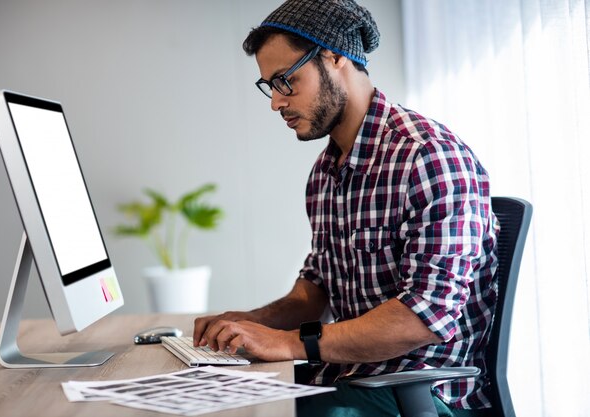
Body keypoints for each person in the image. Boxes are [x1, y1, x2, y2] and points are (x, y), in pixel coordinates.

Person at [193, 1, 499, 416]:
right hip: (349, 379)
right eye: (270, 86)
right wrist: (249, 323)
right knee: (212, 398)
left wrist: (287, 342)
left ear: (334, 57)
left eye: (287, 80)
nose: (276, 102)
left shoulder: (427, 157)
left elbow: (427, 315)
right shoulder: (325, 172)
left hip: (422, 396)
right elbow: (315, 287)